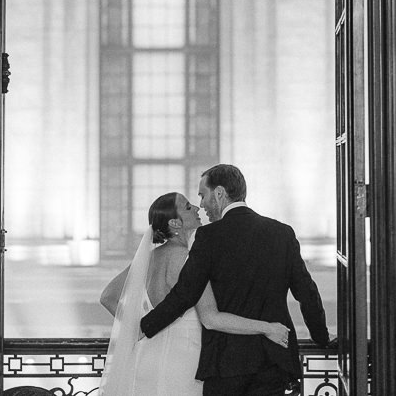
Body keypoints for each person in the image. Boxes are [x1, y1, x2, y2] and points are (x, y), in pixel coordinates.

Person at [140, 165, 331, 396]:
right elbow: (307, 292)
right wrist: (321, 337)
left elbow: (185, 294)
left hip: (225, 363)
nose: (201, 204)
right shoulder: (282, 233)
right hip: (274, 359)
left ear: (219, 193)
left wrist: (143, 327)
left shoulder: (208, 237)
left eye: (203, 195)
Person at [99, 191, 290, 396]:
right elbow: (211, 319)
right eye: (188, 207)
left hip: (145, 358)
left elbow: (108, 297)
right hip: (183, 363)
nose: (198, 209)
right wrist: (267, 328)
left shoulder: (149, 258)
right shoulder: (189, 259)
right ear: (175, 223)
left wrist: (136, 329)